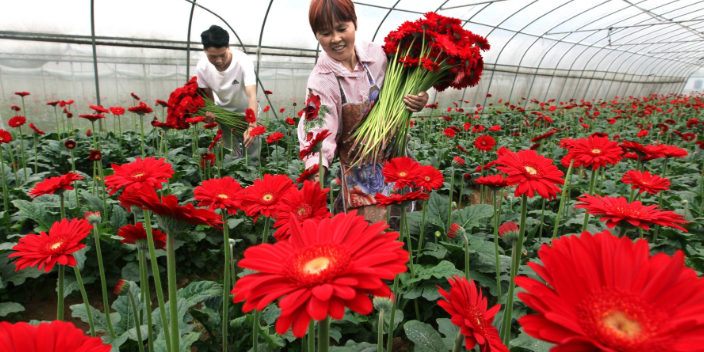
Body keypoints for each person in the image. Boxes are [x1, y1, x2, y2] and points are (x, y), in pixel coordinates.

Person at [299, 0, 428, 223]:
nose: (336, 39)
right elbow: (318, 131)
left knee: (410, 225)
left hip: (398, 159)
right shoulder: (321, 81)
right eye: (326, 33)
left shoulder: (377, 56)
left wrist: (420, 97)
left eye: (342, 29)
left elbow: (404, 87)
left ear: (355, 23)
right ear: (316, 35)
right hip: (360, 173)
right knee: (373, 236)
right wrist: (315, 183)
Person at [197, 25, 259, 160]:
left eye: (222, 55)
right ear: (204, 50)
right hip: (224, 116)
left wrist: (252, 125)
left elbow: (251, 94)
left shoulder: (243, 61)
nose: (218, 61)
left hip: (248, 114)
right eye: (212, 56)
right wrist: (210, 113)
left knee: (253, 158)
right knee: (230, 158)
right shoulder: (202, 68)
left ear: (228, 46)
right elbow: (209, 99)